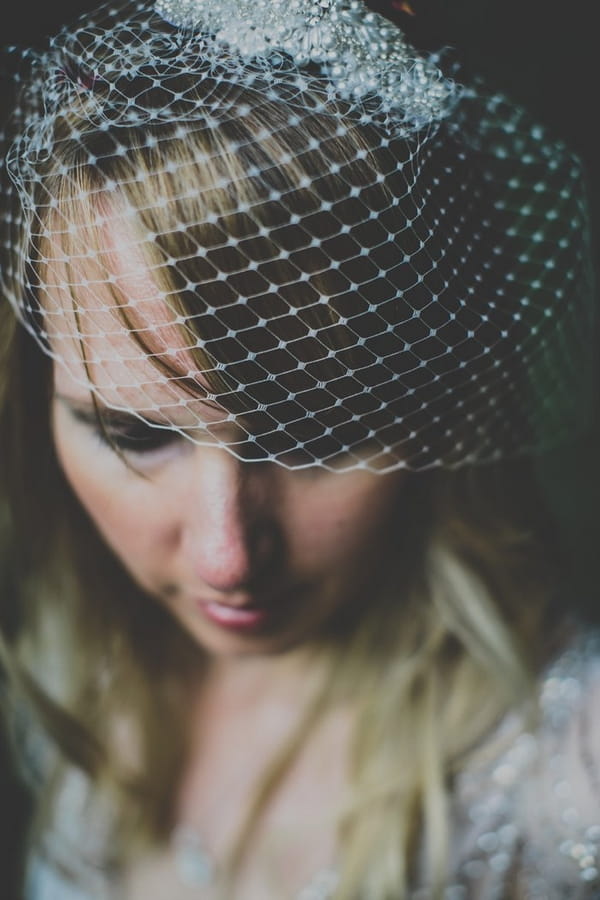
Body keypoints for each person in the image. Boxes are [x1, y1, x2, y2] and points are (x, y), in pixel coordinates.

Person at [0, 1, 598, 898]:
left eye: (314, 432)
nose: (226, 555)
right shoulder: (78, 666)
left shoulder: (573, 776)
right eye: (134, 434)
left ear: (441, 399)